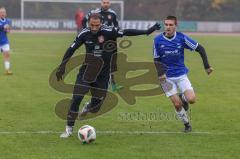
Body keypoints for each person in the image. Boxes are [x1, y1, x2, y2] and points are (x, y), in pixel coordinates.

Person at [56, 13, 160, 138]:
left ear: (101, 23)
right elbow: (71, 49)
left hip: (103, 75)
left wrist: (147, 31)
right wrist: (62, 66)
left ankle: (89, 106)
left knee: (95, 108)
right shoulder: (84, 33)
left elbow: (126, 32)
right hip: (87, 72)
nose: (94, 28)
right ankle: (68, 129)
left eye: (97, 25)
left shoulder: (109, 31)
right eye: (92, 25)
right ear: (89, 23)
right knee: (77, 98)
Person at [153, 16, 213, 132]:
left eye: (171, 25)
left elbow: (200, 48)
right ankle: (187, 125)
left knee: (192, 100)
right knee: (177, 104)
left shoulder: (181, 38)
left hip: (181, 75)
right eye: (166, 24)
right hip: (165, 79)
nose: (168, 27)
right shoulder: (157, 40)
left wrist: (207, 66)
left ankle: (183, 97)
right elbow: (156, 59)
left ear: (176, 26)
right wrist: (161, 73)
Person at [83, 0, 122, 92]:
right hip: (98, 42)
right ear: (101, 3)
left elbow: (116, 26)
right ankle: (92, 82)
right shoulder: (94, 12)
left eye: (107, 2)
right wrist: (88, 32)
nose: (106, 4)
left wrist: (114, 33)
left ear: (110, 3)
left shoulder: (112, 14)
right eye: (104, 2)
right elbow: (84, 20)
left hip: (110, 42)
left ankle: (113, 84)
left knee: (112, 61)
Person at [0, 7, 12, 75]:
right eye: (1, 12)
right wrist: (4, 27)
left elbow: (8, 30)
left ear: (5, 14)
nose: (2, 13)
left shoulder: (7, 21)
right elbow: (2, 27)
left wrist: (8, 30)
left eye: (3, 12)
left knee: (7, 54)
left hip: (4, 41)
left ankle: (7, 70)